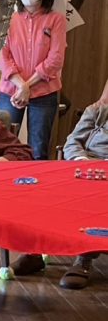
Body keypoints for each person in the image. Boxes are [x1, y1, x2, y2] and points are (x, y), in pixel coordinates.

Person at [0, 0, 67, 162]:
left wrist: (27, 85)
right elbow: (3, 55)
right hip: (11, 90)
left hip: (44, 91)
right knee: (2, 145)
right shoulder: (8, 18)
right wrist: (21, 85)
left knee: (39, 149)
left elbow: (56, 58)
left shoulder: (56, 20)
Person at [58, 100, 108, 289]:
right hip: (86, 165)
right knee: (48, 193)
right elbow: (72, 141)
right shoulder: (97, 111)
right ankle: (34, 253)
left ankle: (83, 259)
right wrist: (81, 160)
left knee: (97, 198)